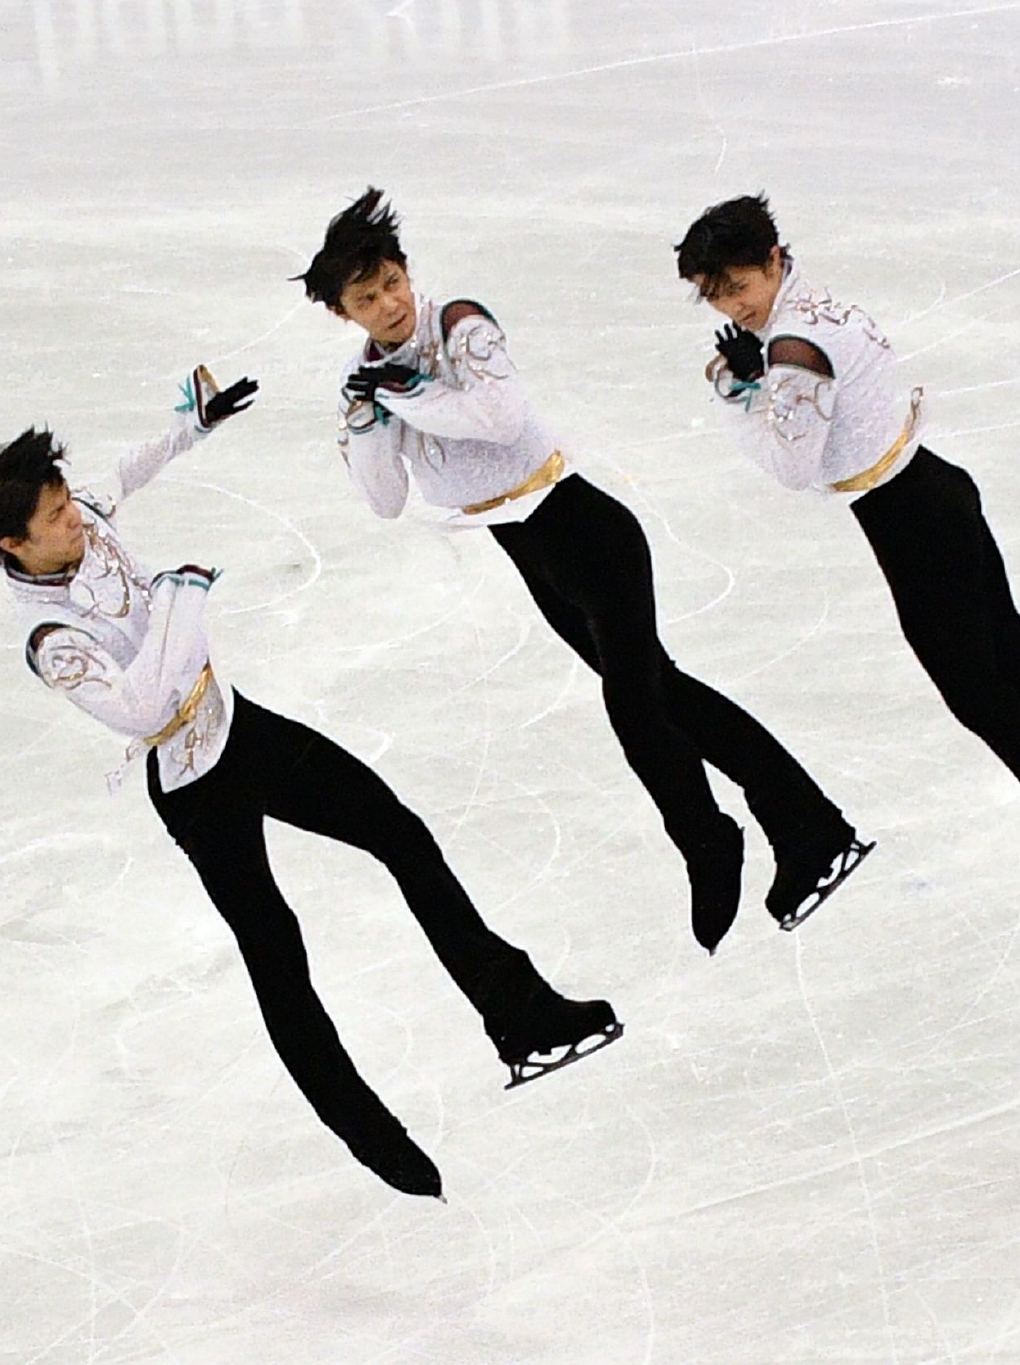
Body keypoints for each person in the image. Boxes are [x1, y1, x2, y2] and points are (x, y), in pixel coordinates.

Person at [0, 373, 620, 1198]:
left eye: (66, 502)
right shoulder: (51, 639)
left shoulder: (78, 517)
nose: (75, 519)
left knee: (397, 830)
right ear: (14, 545)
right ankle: (369, 1132)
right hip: (192, 783)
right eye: (56, 517)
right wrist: (179, 597)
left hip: (240, 726)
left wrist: (192, 426)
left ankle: (521, 1015)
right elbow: (142, 707)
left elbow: (124, 471)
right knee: (277, 950)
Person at [298, 189, 865, 953]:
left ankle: (709, 840)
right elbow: (385, 498)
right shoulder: (365, 383)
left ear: (407, 271)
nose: (390, 304)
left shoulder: (460, 326)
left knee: (636, 708)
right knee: (671, 698)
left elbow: (499, 419)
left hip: (586, 530)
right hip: (530, 554)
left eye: (393, 282)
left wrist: (411, 396)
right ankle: (809, 825)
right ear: (343, 313)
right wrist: (371, 422)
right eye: (367, 299)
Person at [675, 194, 1020, 892]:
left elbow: (791, 467)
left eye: (739, 286)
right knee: (1017, 664)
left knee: (982, 690)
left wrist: (738, 391)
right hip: (932, 495)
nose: (733, 307)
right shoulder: (812, 309)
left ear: (773, 259)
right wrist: (763, 376)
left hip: (911, 519)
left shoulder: (794, 348)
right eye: (714, 297)